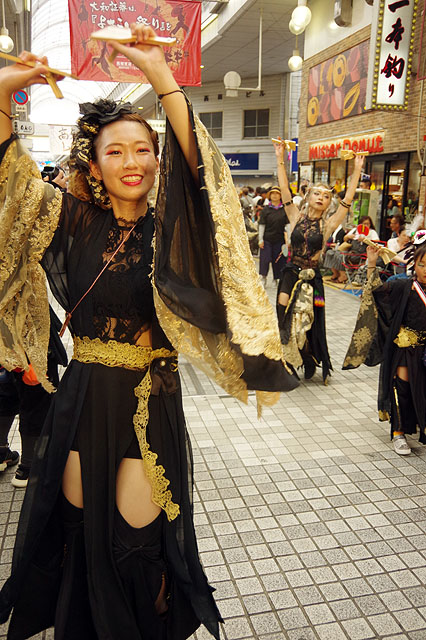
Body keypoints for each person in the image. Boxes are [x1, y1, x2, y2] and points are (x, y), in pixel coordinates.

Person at [0, 26, 298, 640]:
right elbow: (9, 181)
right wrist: (4, 93)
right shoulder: (68, 219)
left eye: (143, 150)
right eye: (115, 152)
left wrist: (162, 77)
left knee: (136, 543)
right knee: (79, 533)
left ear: (158, 161)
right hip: (82, 399)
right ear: (94, 164)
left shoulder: (173, 231)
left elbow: (205, 179)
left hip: (148, 401)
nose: (131, 162)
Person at [274, 138, 366, 382]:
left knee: (312, 320)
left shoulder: (328, 224)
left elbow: (346, 201)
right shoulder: (295, 215)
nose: (321, 198)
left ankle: (309, 357)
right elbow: (284, 190)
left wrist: (357, 169)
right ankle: (286, 356)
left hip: (314, 278)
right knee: (283, 310)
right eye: (317, 193)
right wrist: (280, 159)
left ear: (328, 203)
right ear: (308, 196)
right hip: (291, 271)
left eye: (326, 196)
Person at [343, 241, 426, 456]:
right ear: (413, 265)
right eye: (422, 264)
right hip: (405, 349)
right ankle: (398, 433)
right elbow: (377, 293)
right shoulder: (403, 286)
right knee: (401, 388)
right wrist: (372, 264)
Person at [0, 307, 67, 487]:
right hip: (28, 335)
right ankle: (28, 467)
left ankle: (1, 451)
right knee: (36, 401)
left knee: (6, 391)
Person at [258, 185, 288, 286]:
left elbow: (287, 225)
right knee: (265, 259)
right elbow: (262, 225)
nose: (275, 195)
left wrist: (288, 241)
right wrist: (260, 239)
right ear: (269, 196)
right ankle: (263, 277)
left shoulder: (284, 210)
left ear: (280, 196)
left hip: (279, 239)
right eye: (273, 194)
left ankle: (277, 278)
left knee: (278, 260)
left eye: (277, 194)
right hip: (266, 239)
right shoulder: (266, 210)